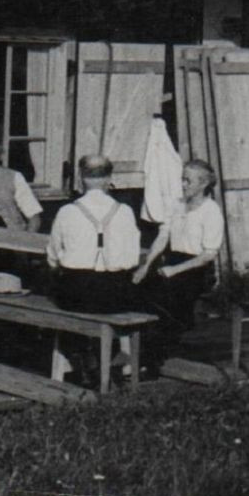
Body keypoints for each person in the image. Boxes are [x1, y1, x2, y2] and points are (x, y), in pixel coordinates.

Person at [48, 155, 143, 381]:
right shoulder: (125, 212)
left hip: (77, 293)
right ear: (109, 178)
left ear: (81, 178)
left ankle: (82, 356)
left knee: (55, 287)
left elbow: (53, 257)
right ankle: (109, 361)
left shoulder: (67, 212)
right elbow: (133, 258)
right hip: (115, 294)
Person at [133, 159, 225, 355]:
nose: (183, 184)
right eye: (182, 179)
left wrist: (174, 270)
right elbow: (163, 236)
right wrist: (146, 265)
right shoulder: (176, 205)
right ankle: (143, 349)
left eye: (188, 181)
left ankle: (154, 357)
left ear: (204, 184)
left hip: (197, 269)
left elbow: (208, 255)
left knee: (165, 296)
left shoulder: (211, 212)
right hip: (172, 262)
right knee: (139, 287)